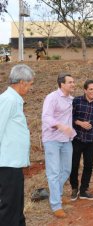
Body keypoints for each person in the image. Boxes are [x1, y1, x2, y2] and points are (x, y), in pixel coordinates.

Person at [0, 64, 35, 226]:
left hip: (14, 163)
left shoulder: (14, 100)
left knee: (16, 206)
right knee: (10, 208)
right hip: (7, 164)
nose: (30, 88)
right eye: (29, 84)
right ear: (21, 82)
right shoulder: (8, 100)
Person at [42, 73, 77, 218]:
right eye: (70, 82)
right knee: (54, 173)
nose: (73, 84)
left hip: (66, 140)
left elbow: (84, 102)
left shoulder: (71, 99)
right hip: (52, 140)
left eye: (73, 82)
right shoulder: (52, 98)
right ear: (62, 84)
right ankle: (56, 205)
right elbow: (46, 117)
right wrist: (61, 126)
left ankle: (57, 193)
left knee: (66, 170)